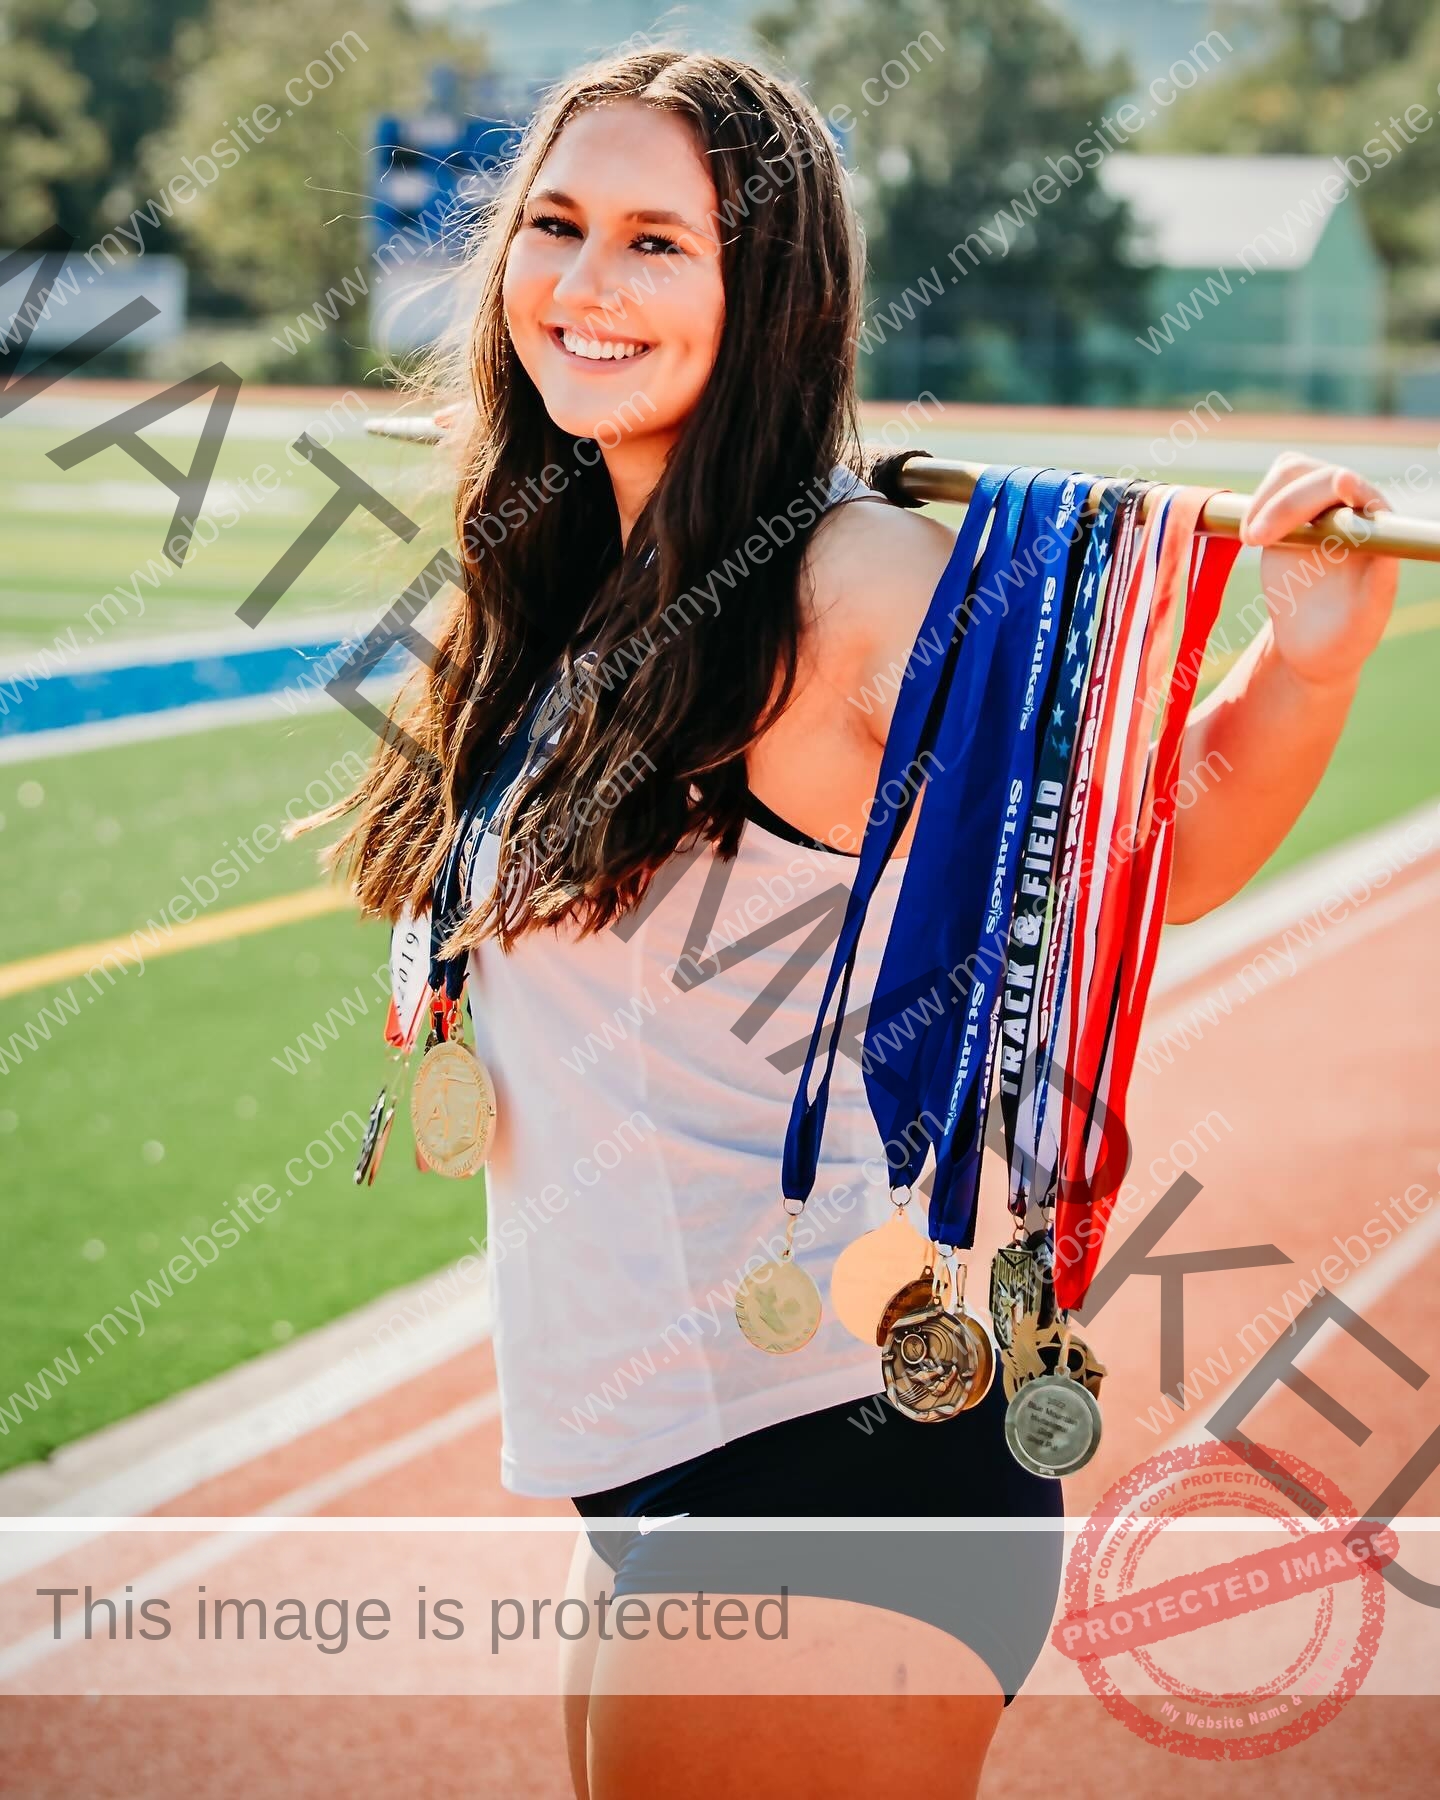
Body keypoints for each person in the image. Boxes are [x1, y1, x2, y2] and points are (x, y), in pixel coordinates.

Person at [319, 47, 1399, 1800]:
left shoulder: (845, 582)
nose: (587, 285)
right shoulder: (576, 573)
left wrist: (1308, 657)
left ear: (773, 291)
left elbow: (1151, 848)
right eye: (559, 225)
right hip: (666, 1453)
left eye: (659, 244)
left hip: (836, 1445)